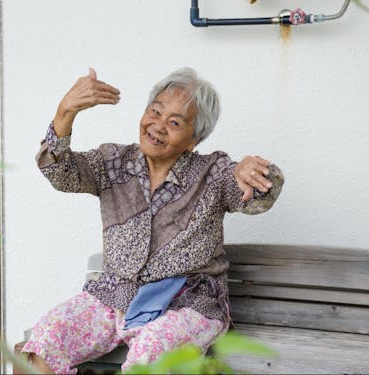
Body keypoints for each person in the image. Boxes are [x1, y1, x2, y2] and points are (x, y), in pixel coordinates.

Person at [22, 67, 284, 374]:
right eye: (155, 112)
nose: (158, 126)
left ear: (193, 139)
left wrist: (256, 173)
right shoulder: (113, 162)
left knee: (150, 354)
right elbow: (60, 173)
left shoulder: (212, 173)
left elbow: (258, 198)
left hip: (185, 303)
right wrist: (65, 112)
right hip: (114, 295)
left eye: (174, 122)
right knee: (45, 339)